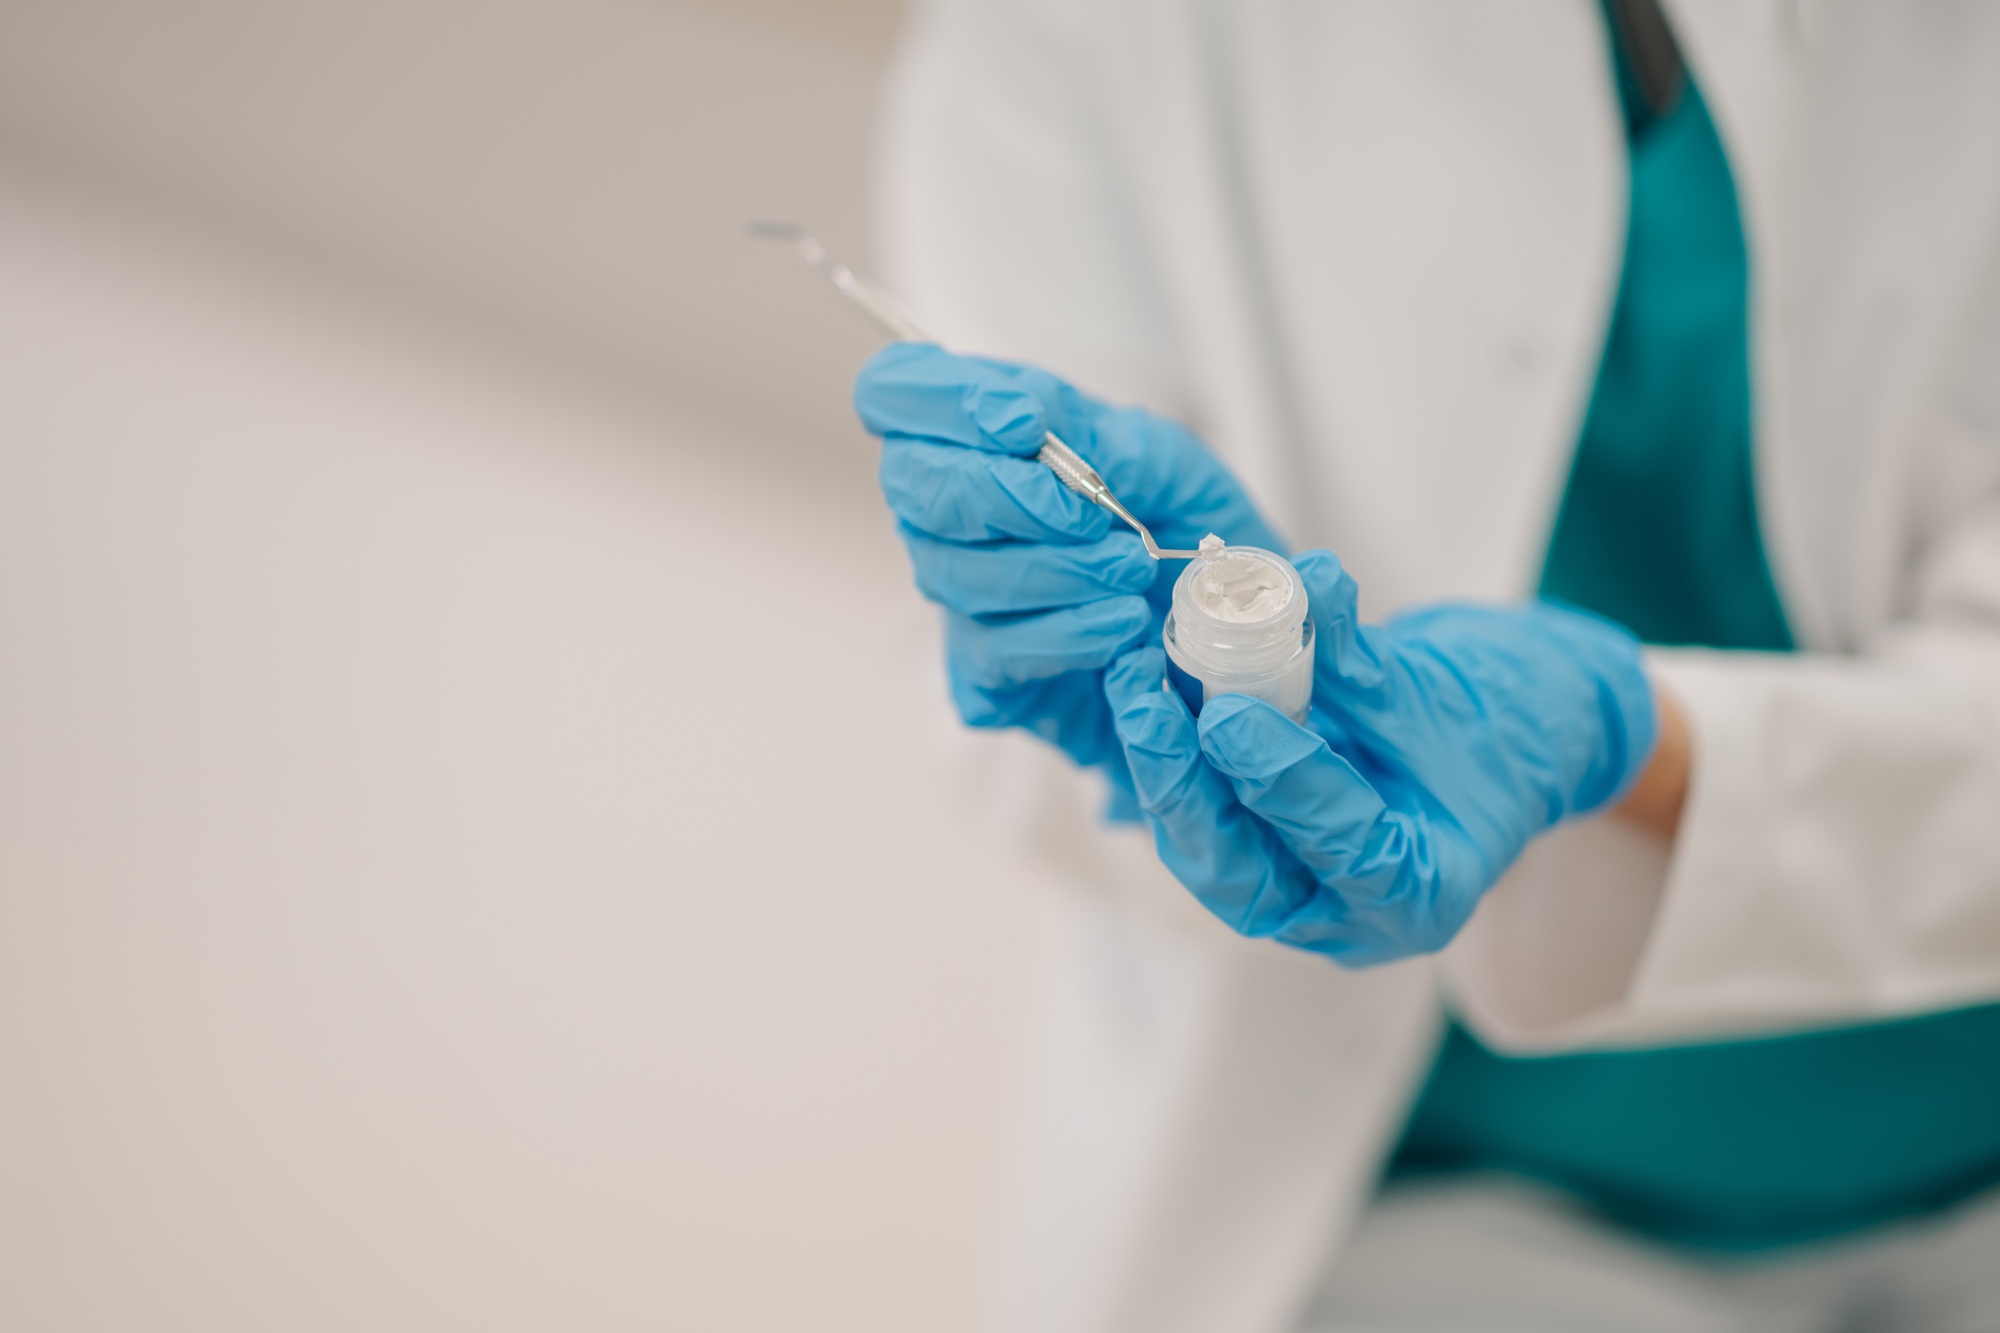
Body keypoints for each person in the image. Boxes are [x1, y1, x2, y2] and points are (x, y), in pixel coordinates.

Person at [854, 1, 2000, 1330]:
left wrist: (1646, 743)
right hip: (1464, 1199)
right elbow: (1023, 688)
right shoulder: (1086, 37)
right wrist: (1122, 721)